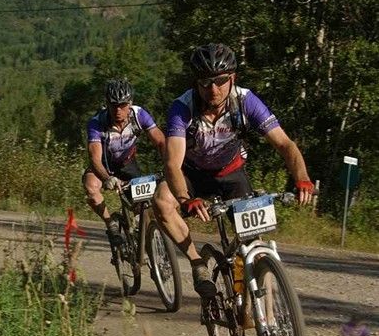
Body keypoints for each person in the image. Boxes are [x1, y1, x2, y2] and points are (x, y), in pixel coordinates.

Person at [153, 43, 315, 297]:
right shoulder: (182, 108)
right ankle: (197, 262)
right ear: (195, 82)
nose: (213, 89)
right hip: (191, 174)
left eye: (220, 81)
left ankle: (265, 313)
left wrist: (302, 178)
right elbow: (172, 163)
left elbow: (285, 144)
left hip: (231, 173)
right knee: (162, 202)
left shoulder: (245, 101)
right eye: (205, 82)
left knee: (254, 247)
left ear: (232, 78)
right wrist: (185, 199)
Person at [84, 78, 165, 245]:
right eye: (113, 105)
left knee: (142, 206)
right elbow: (94, 159)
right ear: (107, 104)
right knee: (91, 187)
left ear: (130, 103)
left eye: (123, 105)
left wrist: (171, 166)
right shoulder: (96, 123)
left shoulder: (139, 115)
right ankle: (110, 223)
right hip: (103, 166)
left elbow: (161, 142)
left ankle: (148, 244)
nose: (118, 110)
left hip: (127, 164)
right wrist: (107, 178)